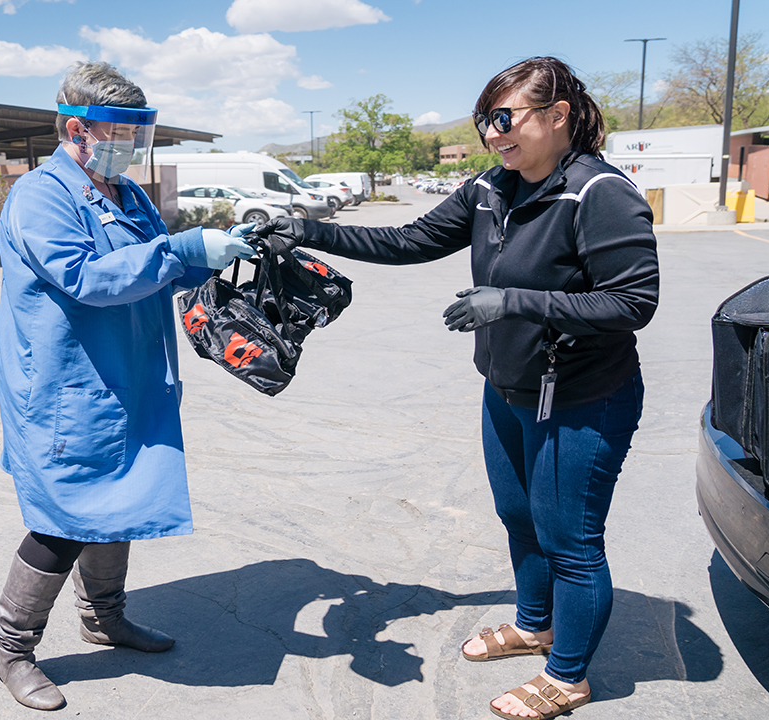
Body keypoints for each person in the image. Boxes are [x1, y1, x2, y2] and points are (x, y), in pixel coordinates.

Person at [256, 57, 658, 719]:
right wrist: (308, 229)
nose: (493, 134)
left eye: (506, 118)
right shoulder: (491, 187)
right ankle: (535, 626)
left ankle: (568, 676)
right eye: (484, 121)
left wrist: (516, 302)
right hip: (507, 390)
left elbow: (633, 302)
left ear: (557, 116)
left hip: (584, 398)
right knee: (519, 518)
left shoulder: (598, 192)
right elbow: (410, 238)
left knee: (572, 542)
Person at [0, 61, 254, 711]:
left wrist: (220, 267)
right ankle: (10, 647)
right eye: (120, 134)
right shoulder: (41, 196)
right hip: (68, 392)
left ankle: (103, 617)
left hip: (131, 382)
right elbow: (88, 278)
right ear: (76, 129)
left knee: (122, 501)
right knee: (63, 522)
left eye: (140, 135)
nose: (133, 148)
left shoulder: (127, 193)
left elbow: (152, 270)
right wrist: (188, 250)